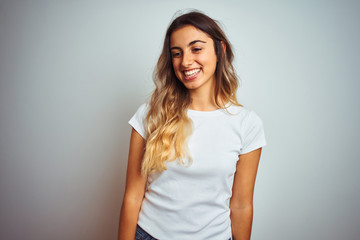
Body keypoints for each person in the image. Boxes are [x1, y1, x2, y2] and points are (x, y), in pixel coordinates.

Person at [118, 10, 266, 240]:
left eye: (196, 49)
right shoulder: (150, 114)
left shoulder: (247, 124)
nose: (186, 61)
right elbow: (132, 196)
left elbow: (241, 206)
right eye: (176, 53)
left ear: (221, 50)